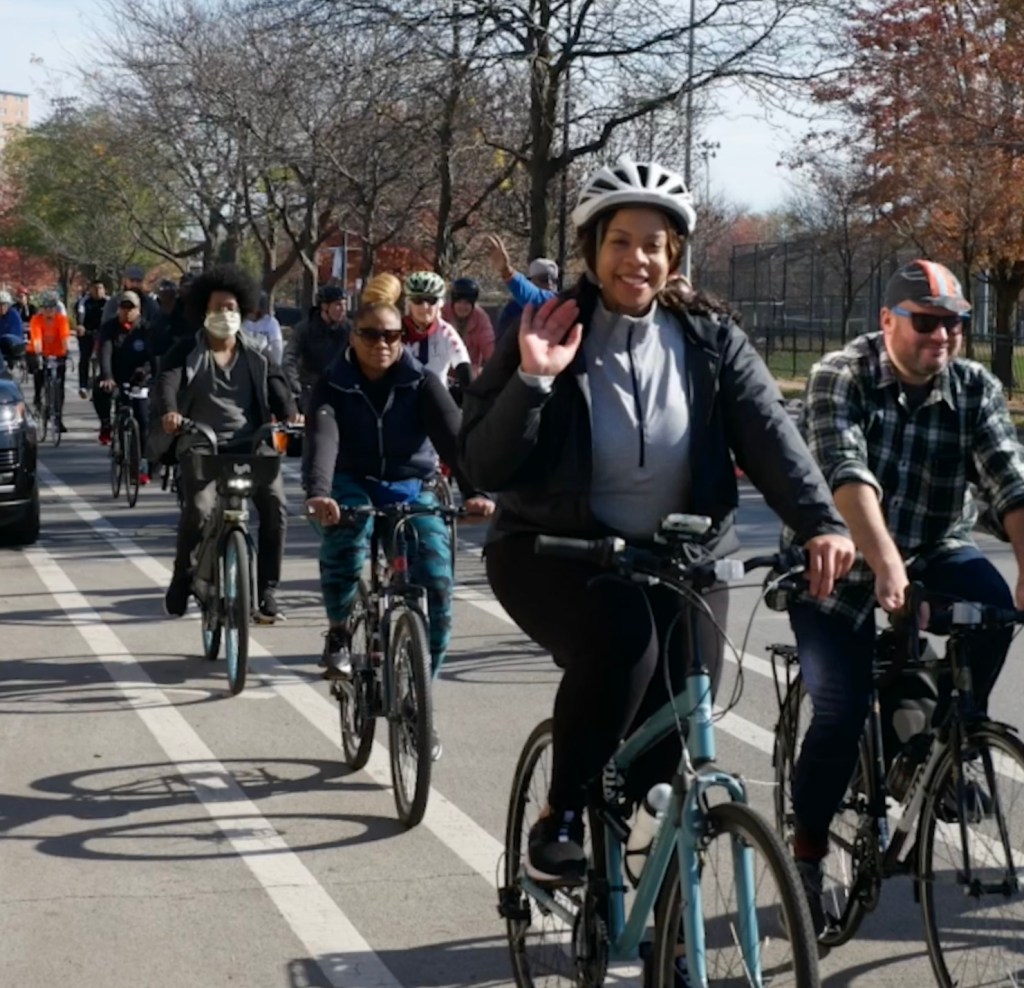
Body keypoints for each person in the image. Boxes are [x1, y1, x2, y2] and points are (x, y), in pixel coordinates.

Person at [459, 156, 854, 883]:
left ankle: (665, 915)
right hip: (555, 553)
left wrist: (823, 522)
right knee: (621, 639)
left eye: (653, 243)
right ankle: (566, 809)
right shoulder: (543, 324)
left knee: (677, 722)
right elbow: (484, 464)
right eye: (619, 241)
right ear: (591, 250)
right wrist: (534, 380)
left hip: (683, 560)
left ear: (674, 257)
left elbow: (771, 436)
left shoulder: (710, 339)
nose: (636, 258)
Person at [784, 258, 1024, 935]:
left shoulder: (974, 386)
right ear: (888, 321)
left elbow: (1009, 477)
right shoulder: (843, 373)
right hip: (838, 559)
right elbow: (844, 468)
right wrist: (884, 564)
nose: (941, 338)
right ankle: (805, 851)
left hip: (933, 546)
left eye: (953, 325)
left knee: (996, 610)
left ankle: (949, 744)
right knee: (840, 705)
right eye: (927, 323)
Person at [304, 300, 495, 760]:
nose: (382, 344)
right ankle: (337, 633)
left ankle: (419, 703)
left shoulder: (422, 382)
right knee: (346, 541)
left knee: (437, 582)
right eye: (370, 334)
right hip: (351, 481)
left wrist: (476, 491)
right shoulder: (333, 383)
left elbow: (454, 438)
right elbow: (322, 440)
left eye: (391, 335)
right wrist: (320, 492)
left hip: (412, 484)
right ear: (353, 336)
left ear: (402, 339)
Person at [157, 264, 300, 622]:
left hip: (251, 445)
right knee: (201, 508)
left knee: (276, 504)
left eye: (232, 308)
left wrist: (291, 413)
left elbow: (278, 387)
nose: (225, 314)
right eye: (218, 307)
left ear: (244, 312)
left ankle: (267, 589)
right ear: (204, 311)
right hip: (200, 444)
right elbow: (168, 384)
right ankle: (183, 575)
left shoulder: (257, 354)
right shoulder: (185, 351)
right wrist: (171, 413)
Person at [95, 291, 155, 479]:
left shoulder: (146, 329)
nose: (127, 312)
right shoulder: (109, 328)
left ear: (139, 310)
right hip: (116, 376)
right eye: (124, 307)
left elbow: (153, 357)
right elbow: (104, 353)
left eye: (131, 308)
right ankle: (106, 425)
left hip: (139, 378)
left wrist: (145, 372)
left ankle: (142, 465)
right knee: (100, 390)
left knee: (143, 420)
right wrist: (107, 376)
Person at [402, 272, 472, 396]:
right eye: (417, 300)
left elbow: (463, 366)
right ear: (408, 303)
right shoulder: (396, 330)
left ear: (440, 303)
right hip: (403, 399)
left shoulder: (446, 332)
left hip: (436, 399)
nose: (424, 307)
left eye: (431, 300)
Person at [283, 284, 352, 407]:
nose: (343, 309)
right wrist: (296, 387)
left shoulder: (349, 329)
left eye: (345, 305)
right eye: (338, 305)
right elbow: (289, 358)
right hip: (311, 390)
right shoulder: (305, 328)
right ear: (324, 306)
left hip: (341, 389)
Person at [484, 234, 559, 343]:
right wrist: (506, 271)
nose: (549, 284)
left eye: (554, 280)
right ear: (530, 281)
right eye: (543, 279)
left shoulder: (562, 305)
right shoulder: (513, 309)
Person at [28, 292, 72, 427]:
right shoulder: (36, 320)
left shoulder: (61, 320)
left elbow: (65, 337)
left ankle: (58, 417)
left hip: (58, 353)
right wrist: (39, 353)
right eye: (45, 307)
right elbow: (36, 338)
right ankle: (37, 398)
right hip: (40, 352)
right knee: (39, 373)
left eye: (51, 307)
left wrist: (67, 352)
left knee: (59, 385)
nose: (48, 311)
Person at [441, 277, 495, 375]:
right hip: (443, 370)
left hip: (470, 371)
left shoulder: (480, 318)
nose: (462, 307)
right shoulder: (442, 315)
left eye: (467, 303)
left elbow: (489, 346)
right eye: (459, 302)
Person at [77, 278, 107, 399]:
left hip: (104, 333)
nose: (98, 291)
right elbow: (80, 314)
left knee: (106, 358)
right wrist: (80, 325)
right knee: (85, 357)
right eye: (95, 288)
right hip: (87, 333)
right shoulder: (84, 302)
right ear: (90, 290)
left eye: (100, 288)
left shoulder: (108, 302)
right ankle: (83, 385)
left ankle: (106, 381)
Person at [242, 292, 284, 365]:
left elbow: (277, 347)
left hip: (264, 361)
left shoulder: (270, 322)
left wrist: (276, 365)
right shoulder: (243, 323)